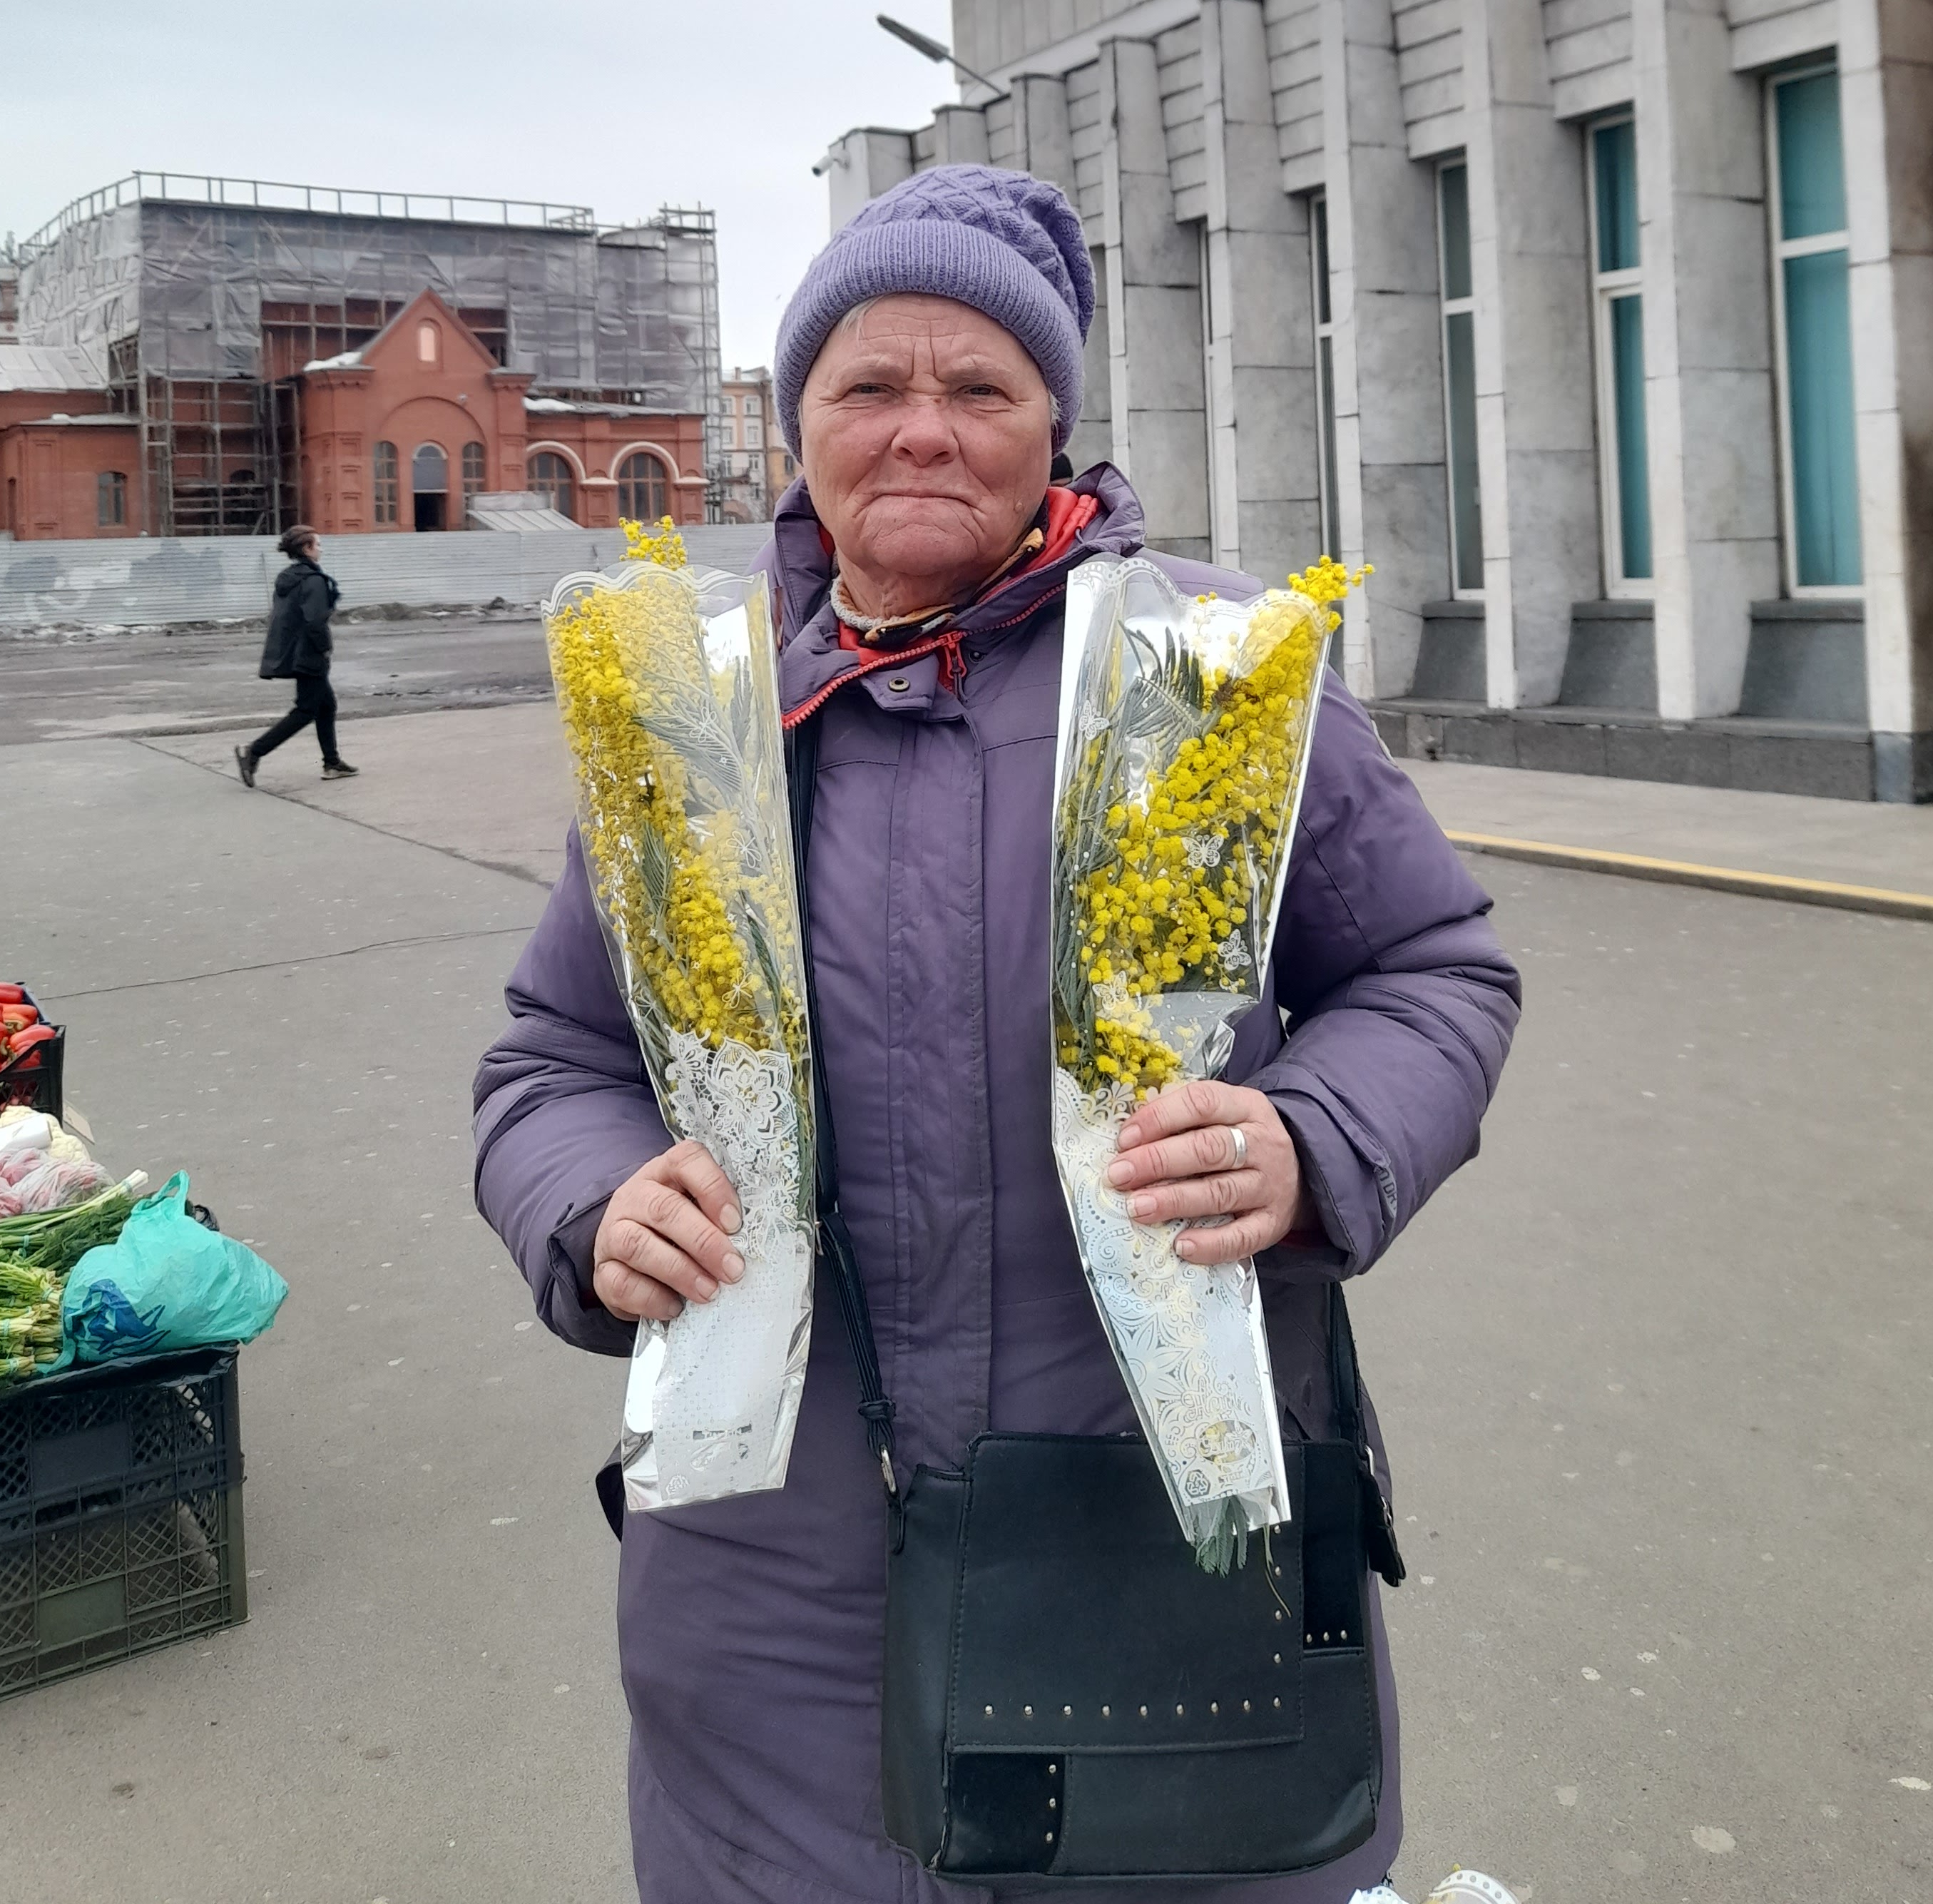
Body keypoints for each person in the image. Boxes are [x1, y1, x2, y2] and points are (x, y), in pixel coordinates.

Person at [475, 165, 1522, 1904]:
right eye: (867, 384)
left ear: (1053, 425)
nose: (922, 427)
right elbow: (554, 1054)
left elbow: (1434, 968)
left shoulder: (1207, 674)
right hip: (770, 1582)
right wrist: (591, 1205)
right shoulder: (693, 718)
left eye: (979, 385)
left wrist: (1313, 1138)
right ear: (797, 421)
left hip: (1154, 1548)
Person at [237, 525, 357, 785]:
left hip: (295, 651)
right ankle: (254, 752)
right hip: (309, 653)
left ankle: (332, 763)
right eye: (318, 544)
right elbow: (315, 621)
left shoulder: (289, 578)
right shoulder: (313, 581)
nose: (321, 549)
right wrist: (324, 648)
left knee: (326, 705)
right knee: (306, 710)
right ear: (307, 548)